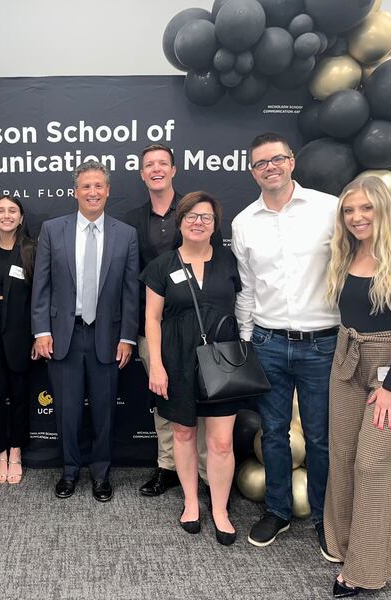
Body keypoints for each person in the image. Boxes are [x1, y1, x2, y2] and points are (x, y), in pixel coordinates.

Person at [231, 132, 391, 554]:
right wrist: (246, 342)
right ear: (253, 171)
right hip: (267, 342)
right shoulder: (243, 223)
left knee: (321, 437)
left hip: (325, 345)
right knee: (273, 432)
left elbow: (378, 253)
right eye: (260, 163)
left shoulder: (330, 209)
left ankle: (323, 517)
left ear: (291, 162)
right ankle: (277, 510)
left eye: (277, 159)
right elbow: (248, 289)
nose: (270, 167)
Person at [322, 176, 391, 597]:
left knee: (373, 465)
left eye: (366, 208)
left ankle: (367, 568)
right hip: (348, 360)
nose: (356, 217)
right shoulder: (345, 252)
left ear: (383, 209)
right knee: (343, 457)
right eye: (349, 210)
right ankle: (343, 545)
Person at [32, 160, 139, 502]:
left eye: (98, 186)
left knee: (105, 410)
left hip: (107, 336)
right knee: (67, 410)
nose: (92, 192)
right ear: (75, 191)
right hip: (64, 335)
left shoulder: (126, 234)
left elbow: (130, 292)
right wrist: (41, 331)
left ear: (108, 191)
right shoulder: (53, 230)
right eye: (86, 186)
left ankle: (101, 473)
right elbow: (41, 285)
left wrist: (127, 337)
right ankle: (69, 471)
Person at [141, 191, 244, 544]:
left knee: (221, 442)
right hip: (177, 361)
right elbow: (152, 319)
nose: (198, 222)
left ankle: (220, 510)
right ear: (180, 221)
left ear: (215, 225)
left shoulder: (229, 262)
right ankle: (190, 503)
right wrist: (157, 365)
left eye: (206, 217)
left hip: (223, 363)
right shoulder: (162, 266)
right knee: (183, 434)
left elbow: (244, 306)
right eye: (191, 216)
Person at [124, 144, 209, 498]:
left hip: (196, 325)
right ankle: (168, 467)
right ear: (142, 174)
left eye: (162, 163)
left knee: (202, 401)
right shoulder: (132, 220)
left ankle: (205, 473)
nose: (156, 169)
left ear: (174, 170)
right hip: (153, 325)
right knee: (163, 397)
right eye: (149, 165)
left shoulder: (194, 212)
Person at [0, 195, 37, 484]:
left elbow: (40, 295)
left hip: (20, 334)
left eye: (12, 210)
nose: (6, 215)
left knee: (19, 396)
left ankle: (16, 451)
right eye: (0, 211)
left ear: (21, 217)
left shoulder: (32, 250)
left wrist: (38, 335)